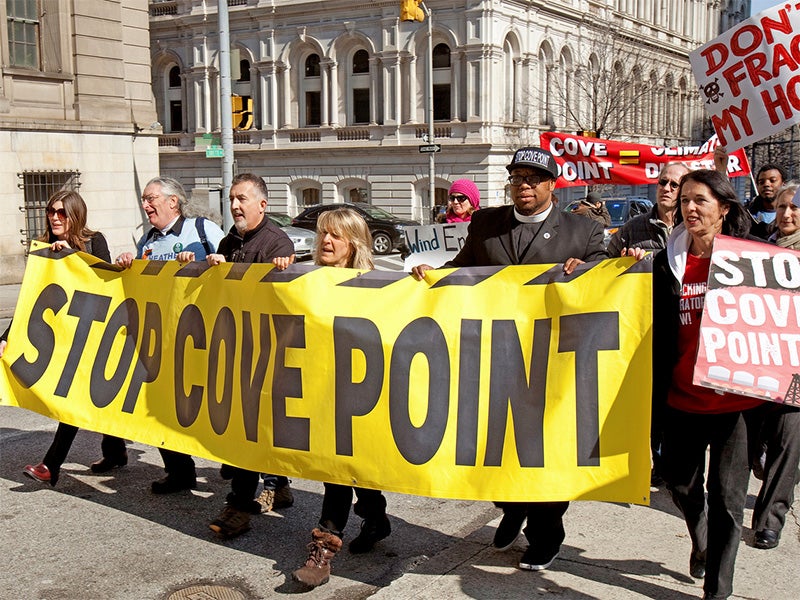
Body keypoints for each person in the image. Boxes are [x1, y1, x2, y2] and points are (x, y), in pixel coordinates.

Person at [412, 146, 608, 572]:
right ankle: (511, 506)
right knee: (491, 445)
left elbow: (609, 284)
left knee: (544, 451)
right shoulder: (485, 224)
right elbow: (461, 270)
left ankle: (546, 533)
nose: (524, 184)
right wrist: (429, 276)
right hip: (494, 357)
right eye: (517, 176)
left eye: (534, 178)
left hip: (554, 362)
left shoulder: (582, 231)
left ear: (551, 185)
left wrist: (591, 269)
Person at [653, 169, 763, 600]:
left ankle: (718, 589)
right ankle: (700, 536)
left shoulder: (755, 258)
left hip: (736, 404)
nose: (690, 208)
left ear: (725, 207)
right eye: (684, 202)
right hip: (681, 398)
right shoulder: (669, 260)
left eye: (700, 200)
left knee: (728, 499)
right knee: (680, 483)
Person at [271, 207, 392, 588]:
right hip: (320, 390)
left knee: (340, 470)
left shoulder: (378, 284)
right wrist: (280, 271)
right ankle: (376, 519)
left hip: (360, 393)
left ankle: (324, 547)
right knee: (342, 468)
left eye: (336, 235)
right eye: (323, 232)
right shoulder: (306, 278)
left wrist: (421, 281)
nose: (326, 241)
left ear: (354, 243)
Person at [0, 191, 127, 486]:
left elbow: (104, 283)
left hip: (91, 333)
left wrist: (71, 256)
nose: (55, 217)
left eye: (61, 212)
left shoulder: (95, 241)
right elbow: (30, 299)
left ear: (75, 215)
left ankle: (51, 464)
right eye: (50, 211)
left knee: (75, 396)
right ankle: (115, 450)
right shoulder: (43, 248)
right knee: (88, 394)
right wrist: (6, 336)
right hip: (62, 334)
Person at [116, 176, 225, 494]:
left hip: (201, 336)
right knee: (163, 406)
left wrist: (206, 264)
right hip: (160, 340)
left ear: (172, 202)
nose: (145, 204)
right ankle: (179, 471)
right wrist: (128, 264)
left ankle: (233, 462)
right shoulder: (147, 241)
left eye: (150, 198)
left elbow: (232, 272)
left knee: (211, 403)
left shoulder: (203, 231)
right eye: (144, 199)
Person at [203, 173, 296, 539]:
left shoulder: (277, 243)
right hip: (239, 350)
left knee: (250, 432)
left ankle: (239, 506)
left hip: (266, 355)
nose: (235, 206)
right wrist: (209, 266)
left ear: (263, 203)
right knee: (253, 432)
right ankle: (279, 486)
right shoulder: (229, 241)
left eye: (242, 199)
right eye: (231, 200)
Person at [607, 161, 690, 488]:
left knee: (681, 401)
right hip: (648, 331)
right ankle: (653, 458)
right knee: (652, 400)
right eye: (663, 182)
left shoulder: (695, 227)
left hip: (688, 330)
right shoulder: (634, 228)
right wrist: (623, 263)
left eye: (674, 184)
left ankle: (674, 461)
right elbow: (603, 263)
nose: (667, 189)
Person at [748, 182, 800, 550]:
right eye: (782, 207)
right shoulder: (758, 250)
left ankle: (770, 520)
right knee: (756, 444)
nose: (787, 214)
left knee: (788, 439)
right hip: (755, 360)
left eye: (795, 208)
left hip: (796, 368)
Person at [748, 164, 787, 239]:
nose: (766, 184)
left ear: (783, 184)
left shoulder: (792, 214)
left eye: (772, 181)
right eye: (761, 182)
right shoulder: (746, 214)